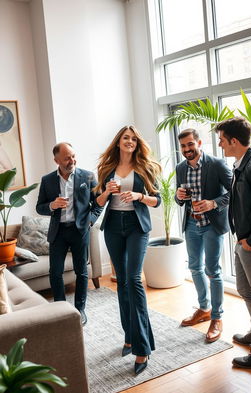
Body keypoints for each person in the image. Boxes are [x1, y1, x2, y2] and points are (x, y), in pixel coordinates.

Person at [95, 125, 161, 375]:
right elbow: (97, 202)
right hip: (113, 226)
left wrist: (138, 196)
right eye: (126, 138)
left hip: (136, 226)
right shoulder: (106, 169)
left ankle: (142, 347)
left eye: (134, 138)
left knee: (133, 280)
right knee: (121, 281)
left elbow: (157, 200)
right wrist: (106, 193)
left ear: (137, 143)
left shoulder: (145, 167)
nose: (130, 141)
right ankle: (129, 337)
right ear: (118, 141)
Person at [175, 128, 232, 342]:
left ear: (199, 143)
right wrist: (178, 196)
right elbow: (180, 198)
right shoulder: (181, 168)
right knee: (194, 267)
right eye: (183, 146)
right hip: (191, 223)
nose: (187, 149)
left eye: (190, 144)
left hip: (212, 224)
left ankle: (217, 318)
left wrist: (213, 203)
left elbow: (233, 191)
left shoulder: (216, 164)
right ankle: (204, 308)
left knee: (212, 270)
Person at [36, 142, 102, 325]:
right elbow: (39, 207)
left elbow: (99, 203)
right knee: (55, 272)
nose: (71, 160)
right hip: (58, 232)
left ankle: (80, 309)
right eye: (66, 158)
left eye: (73, 156)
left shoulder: (88, 177)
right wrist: (52, 205)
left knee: (81, 272)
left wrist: (90, 221)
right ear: (56, 160)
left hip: (80, 230)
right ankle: (61, 309)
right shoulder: (47, 180)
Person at [216, 117, 251, 368]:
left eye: (222, 140)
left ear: (234, 141)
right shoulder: (239, 164)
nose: (220, 145)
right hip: (241, 241)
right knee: (244, 289)